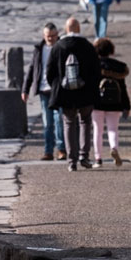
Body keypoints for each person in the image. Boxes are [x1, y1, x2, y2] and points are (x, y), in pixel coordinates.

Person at [46, 17, 101, 172]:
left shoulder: (58, 46)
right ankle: (84, 155)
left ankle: (72, 160)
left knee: (69, 123)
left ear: (66, 29)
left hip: (65, 93)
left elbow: (49, 72)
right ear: (79, 29)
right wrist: (91, 87)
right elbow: (97, 71)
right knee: (85, 122)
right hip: (85, 92)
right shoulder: (88, 46)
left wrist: (57, 86)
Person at [22, 23, 66, 161]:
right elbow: (32, 69)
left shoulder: (62, 47)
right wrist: (26, 89)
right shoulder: (39, 49)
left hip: (58, 90)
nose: (51, 39)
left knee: (59, 121)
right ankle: (48, 151)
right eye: (48, 36)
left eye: (53, 36)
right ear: (44, 36)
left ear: (57, 34)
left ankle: (61, 149)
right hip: (43, 90)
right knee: (47, 123)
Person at [92, 37, 130, 167]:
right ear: (111, 50)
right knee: (113, 129)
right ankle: (114, 148)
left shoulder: (93, 65)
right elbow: (123, 89)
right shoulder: (118, 67)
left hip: (97, 102)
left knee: (98, 130)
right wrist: (126, 105)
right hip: (115, 102)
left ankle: (98, 159)